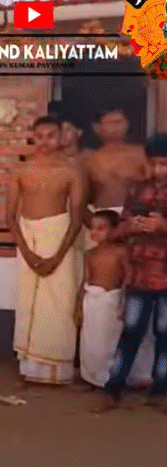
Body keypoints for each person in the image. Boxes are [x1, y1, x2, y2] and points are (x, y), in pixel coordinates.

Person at [7, 115, 85, 385]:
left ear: (60, 137)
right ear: (32, 137)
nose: (45, 142)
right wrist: (27, 252)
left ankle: (57, 369)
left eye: (51, 136)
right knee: (28, 300)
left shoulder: (71, 171)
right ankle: (30, 367)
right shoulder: (20, 171)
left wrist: (58, 256)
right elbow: (9, 217)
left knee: (59, 302)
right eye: (39, 136)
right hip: (28, 236)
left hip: (58, 234)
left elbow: (77, 219)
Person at [93, 134, 167, 412]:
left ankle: (160, 392)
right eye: (156, 164)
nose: (160, 170)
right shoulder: (136, 191)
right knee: (130, 333)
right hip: (137, 275)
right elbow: (119, 229)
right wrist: (132, 226)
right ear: (147, 164)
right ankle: (113, 389)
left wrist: (162, 227)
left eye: (165, 164)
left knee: (165, 336)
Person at [77, 209, 155, 389]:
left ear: (114, 230)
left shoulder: (121, 252)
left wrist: (124, 302)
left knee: (111, 342)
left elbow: (128, 276)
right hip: (93, 302)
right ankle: (93, 377)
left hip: (112, 301)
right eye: (92, 228)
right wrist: (78, 306)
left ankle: (115, 377)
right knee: (93, 343)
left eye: (101, 228)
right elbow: (85, 280)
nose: (95, 232)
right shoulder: (90, 254)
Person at [85, 108, 147, 212]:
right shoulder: (90, 159)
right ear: (97, 128)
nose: (115, 127)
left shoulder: (141, 154)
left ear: (127, 125)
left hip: (135, 215)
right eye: (109, 122)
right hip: (102, 215)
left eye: (119, 122)